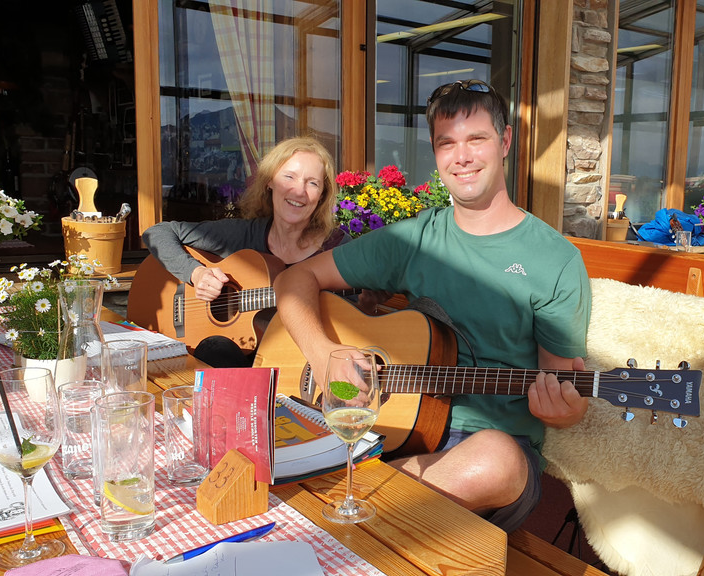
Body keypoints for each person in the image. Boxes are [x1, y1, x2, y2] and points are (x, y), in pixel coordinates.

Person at [272, 80, 591, 532]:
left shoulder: (555, 259)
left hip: (478, 454)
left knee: (497, 460)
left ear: (505, 142)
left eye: (476, 139)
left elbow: (562, 386)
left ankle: (346, 499)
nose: (462, 157)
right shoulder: (414, 240)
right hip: (390, 428)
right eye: (447, 143)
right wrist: (323, 355)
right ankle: (358, 509)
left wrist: (567, 411)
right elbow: (293, 279)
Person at [142, 136, 350, 367]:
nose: (299, 191)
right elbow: (158, 232)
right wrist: (195, 273)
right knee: (215, 350)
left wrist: (367, 304)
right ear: (270, 181)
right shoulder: (243, 234)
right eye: (289, 177)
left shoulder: (338, 248)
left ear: (322, 195)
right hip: (234, 365)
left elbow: (354, 318)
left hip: (298, 366)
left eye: (312, 183)